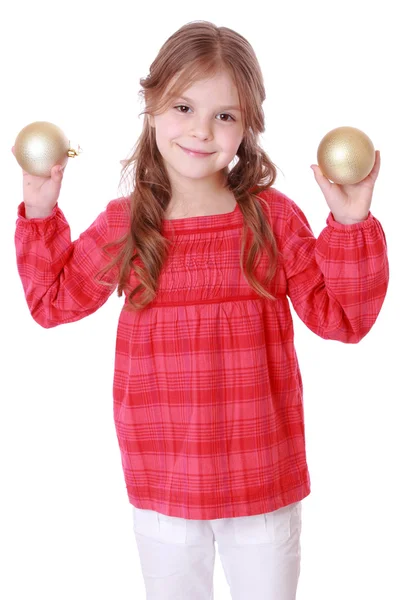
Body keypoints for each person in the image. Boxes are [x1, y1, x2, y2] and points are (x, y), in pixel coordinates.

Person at [14, 20, 389, 600]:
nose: (201, 131)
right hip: (164, 478)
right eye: (184, 107)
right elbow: (51, 302)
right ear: (153, 107)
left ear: (247, 126)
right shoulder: (128, 221)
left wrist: (350, 222)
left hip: (261, 479)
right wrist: (39, 210)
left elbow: (344, 319)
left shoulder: (272, 217)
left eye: (224, 115)